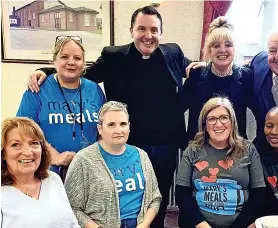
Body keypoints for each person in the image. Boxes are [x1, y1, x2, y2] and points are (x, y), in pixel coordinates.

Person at [26, 6, 190, 227]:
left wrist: (204, 66)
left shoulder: (173, 52)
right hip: (127, 146)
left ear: (161, 32)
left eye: (154, 30)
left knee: (157, 200)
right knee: (124, 201)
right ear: (131, 30)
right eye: (141, 28)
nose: (148, 36)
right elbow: (80, 71)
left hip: (165, 145)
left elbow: (192, 68)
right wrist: (46, 71)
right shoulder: (114, 56)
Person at [64, 101, 161, 228]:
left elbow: (155, 198)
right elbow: (71, 206)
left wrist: (144, 224)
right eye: (111, 125)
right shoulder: (83, 160)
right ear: (100, 129)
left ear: (129, 127)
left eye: (123, 124)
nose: (118, 130)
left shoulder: (141, 155)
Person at [17, 36, 106, 175]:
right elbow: (24, 130)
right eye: (64, 57)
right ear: (54, 61)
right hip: (48, 172)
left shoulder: (94, 89)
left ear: (84, 64)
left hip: (89, 171)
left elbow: (105, 128)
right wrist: (54, 157)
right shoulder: (37, 89)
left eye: (77, 58)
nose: (71, 62)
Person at [176, 97, 266, 228]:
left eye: (224, 117)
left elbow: (259, 195)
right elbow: (181, 194)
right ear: (204, 124)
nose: (218, 124)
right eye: (211, 119)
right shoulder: (193, 150)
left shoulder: (249, 150)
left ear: (232, 121)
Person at [184, 16, 254, 142]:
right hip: (200, 148)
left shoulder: (246, 77)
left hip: (235, 148)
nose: (222, 50)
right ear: (209, 50)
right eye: (216, 46)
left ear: (234, 49)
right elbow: (178, 109)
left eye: (228, 45)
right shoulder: (196, 75)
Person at [1, 117, 80, 228]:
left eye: (34, 143)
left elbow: (73, 224)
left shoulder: (53, 179)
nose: (28, 152)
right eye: (15, 145)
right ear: (3, 153)